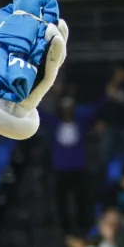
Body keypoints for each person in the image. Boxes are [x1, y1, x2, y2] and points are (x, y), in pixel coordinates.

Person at [43, 96, 106, 236]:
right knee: (61, 202)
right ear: (61, 110)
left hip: (78, 168)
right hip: (60, 169)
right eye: (65, 109)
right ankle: (65, 230)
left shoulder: (80, 123)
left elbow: (94, 109)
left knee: (82, 199)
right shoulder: (54, 124)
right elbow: (40, 114)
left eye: (70, 109)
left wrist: (105, 95)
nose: (68, 111)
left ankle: (83, 227)